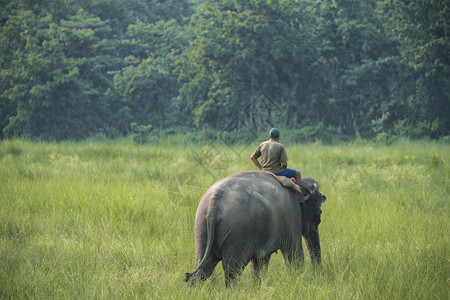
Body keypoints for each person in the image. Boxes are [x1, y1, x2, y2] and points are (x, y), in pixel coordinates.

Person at [250, 128, 307, 202]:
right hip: (277, 171)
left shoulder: (262, 144)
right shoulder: (280, 146)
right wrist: (284, 167)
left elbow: (252, 157)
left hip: (264, 171)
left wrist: (261, 168)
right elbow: (284, 164)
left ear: (269, 136)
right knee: (297, 174)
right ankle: (300, 197)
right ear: (278, 136)